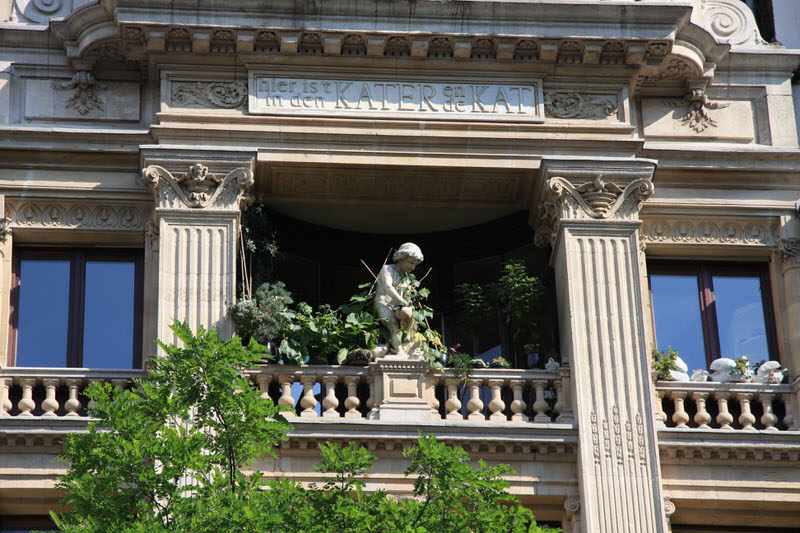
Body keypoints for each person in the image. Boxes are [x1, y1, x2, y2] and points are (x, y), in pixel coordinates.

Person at [374, 242, 424, 354]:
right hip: (384, 303)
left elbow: (406, 296)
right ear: (401, 258)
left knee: (408, 313)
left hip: (398, 307)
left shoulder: (407, 278)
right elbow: (388, 287)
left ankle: (406, 343)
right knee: (393, 324)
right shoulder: (387, 269)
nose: (412, 267)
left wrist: (408, 301)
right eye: (410, 262)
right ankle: (399, 350)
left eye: (415, 264)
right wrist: (402, 301)